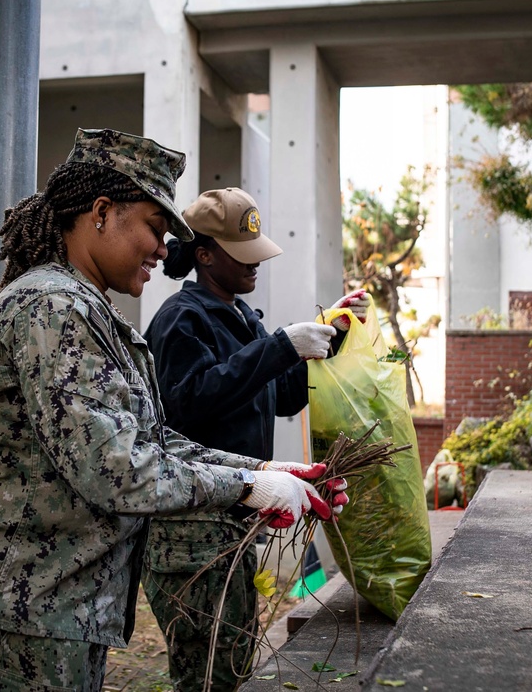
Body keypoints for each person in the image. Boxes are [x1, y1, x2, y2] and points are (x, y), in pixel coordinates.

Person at [0, 129, 343, 692]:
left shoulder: (90, 310)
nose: (165, 251)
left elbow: (151, 440)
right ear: (101, 212)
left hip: (45, 605)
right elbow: (115, 469)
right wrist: (243, 488)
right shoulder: (54, 308)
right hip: (7, 611)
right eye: (155, 229)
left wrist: (263, 471)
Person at [142, 187, 367, 691]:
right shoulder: (182, 321)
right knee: (211, 677)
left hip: (236, 517)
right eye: (242, 256)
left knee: (233, 663)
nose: (255, 266)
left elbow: (281, 397)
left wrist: (329, 336)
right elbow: (188, 401)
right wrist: (279, 346)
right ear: (204, 255)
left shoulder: (243, 318)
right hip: (192, 532)